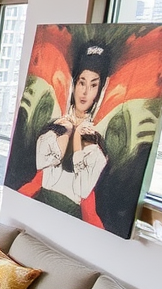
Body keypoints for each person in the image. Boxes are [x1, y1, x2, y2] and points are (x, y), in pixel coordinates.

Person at [32, 42, 111, 219]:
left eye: (93, 85)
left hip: (70, 213)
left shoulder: (95, 141)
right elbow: (41, 162)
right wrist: (67, 133)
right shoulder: (56, 126)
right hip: (40, 200)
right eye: (82, 83)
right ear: (74, 84)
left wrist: (77, 139)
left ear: (100, 90)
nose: (85, 92)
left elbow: (84, 190)